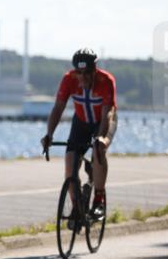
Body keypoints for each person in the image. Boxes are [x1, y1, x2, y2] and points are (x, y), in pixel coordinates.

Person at [41, 48, 118, 222]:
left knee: (98, 149)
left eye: (87, 73)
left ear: (95, 70)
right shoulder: (69, 79)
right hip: (81, 122)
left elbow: (107, 113)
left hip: (104, 120)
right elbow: (58, 108)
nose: (82, 77)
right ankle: (77, 207)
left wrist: (101, 138)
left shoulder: (106, 80)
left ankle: (98, 201)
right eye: (79, 73)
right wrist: (49, 134)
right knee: (70, 165)